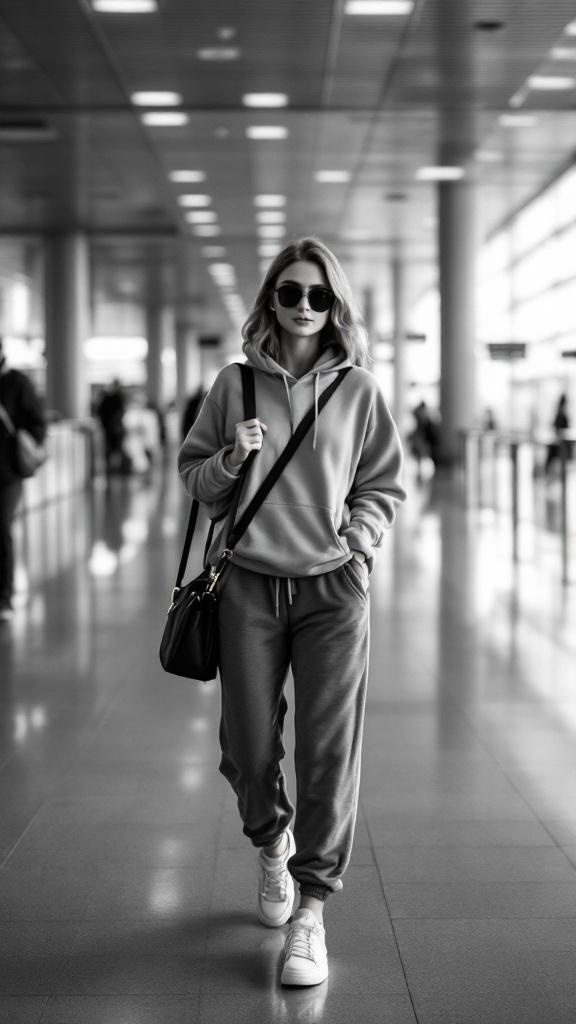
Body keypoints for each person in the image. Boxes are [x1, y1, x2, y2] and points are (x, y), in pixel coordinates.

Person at [178, 237, 405, 987]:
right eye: (289, 293)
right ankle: (270, 842)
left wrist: (359, 543)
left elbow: (383, 484)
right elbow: (197, 480)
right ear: (269, 299)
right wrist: (232, 459)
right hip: (246, 583)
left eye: (318, 296)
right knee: (246, 744)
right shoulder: (233, 384)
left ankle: (310, 909)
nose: (304, 307)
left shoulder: (360, 390)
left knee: (328, 751)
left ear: (335, 305)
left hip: (333, 591)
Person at [0, 337, 47, 620]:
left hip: (7, 472)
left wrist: (17, 431)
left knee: (1, 528)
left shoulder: (18, 383)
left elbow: (38, 425)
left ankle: (4, 597)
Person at [96, 378, 127, 474]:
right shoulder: (114, 398)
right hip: (113, 428)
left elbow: (100, 412)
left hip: (111, 428)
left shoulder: (109, 398)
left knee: (113, 448)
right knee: (115, 448)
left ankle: (113, 467)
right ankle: (114, 467)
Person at [544, 392, 572, 475]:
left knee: (552, 458)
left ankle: (550, 474)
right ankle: (550, 475)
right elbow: (560, 429)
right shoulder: (562, 415)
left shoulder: (560, 413)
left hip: (559, 443)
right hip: (560, 443)